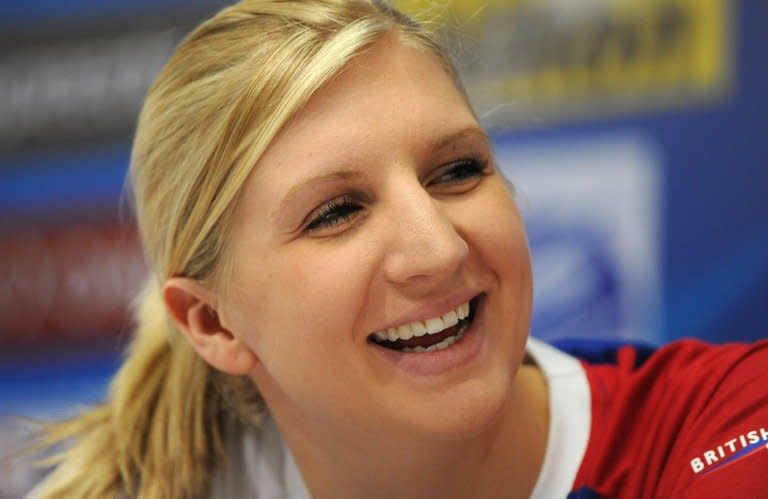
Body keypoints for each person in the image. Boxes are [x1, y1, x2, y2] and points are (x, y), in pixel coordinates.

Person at [31, 1, 768, 498]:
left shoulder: (723, 430)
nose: (438, 247)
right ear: (213, 323)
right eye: (337, 212)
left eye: (456, 170)